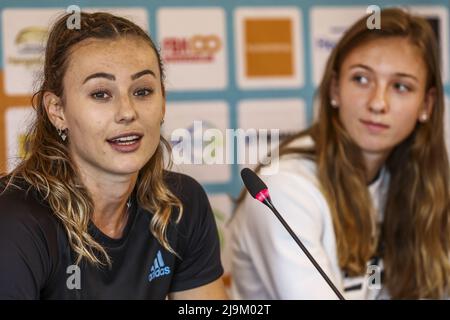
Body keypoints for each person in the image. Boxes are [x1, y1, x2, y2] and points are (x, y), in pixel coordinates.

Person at [0, 11, 227, 300]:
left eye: (143, 91)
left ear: (163, 103)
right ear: (57, 110)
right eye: (101, 94)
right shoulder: (15, 222)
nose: (127, 112)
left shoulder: (181, 202)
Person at [230, 8, 450, 300]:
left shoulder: (412, 181)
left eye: (400, 86)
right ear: (335, 88)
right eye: (361, 79)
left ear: (427, 105)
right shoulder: (285, 187)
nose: (378, 102)